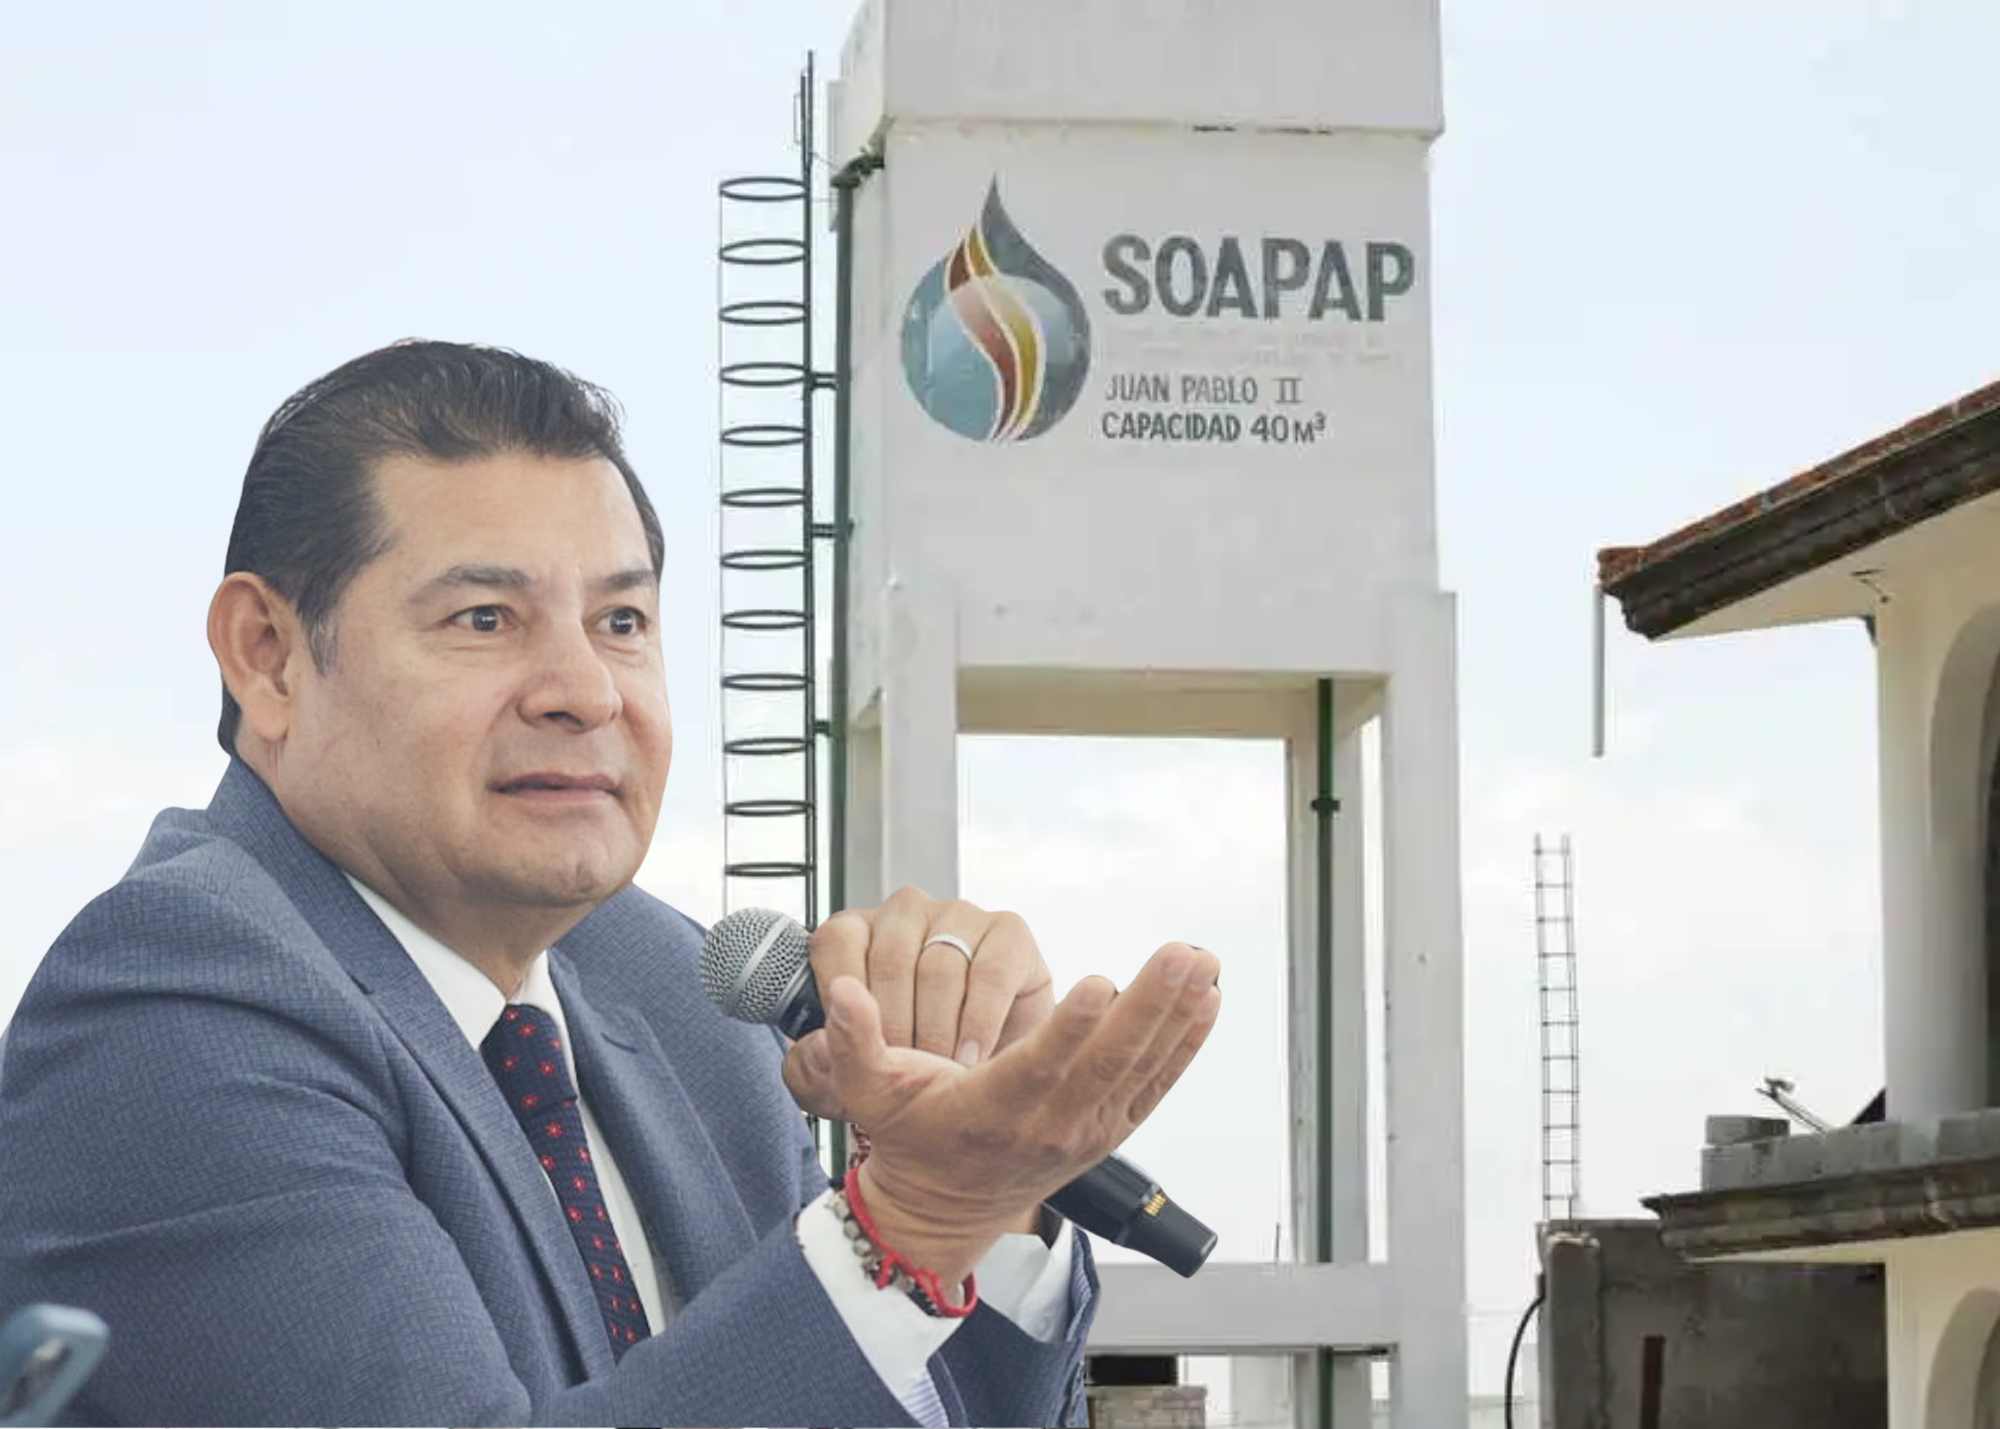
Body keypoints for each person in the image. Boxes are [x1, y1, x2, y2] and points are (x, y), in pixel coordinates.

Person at [0, 340, 1223, 1426]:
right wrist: (904, 1227)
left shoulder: (679, 990)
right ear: (267, 657)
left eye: (623, 623)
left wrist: (993, 1201)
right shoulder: (169, 1004)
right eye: (485, 619)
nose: (585, 691)